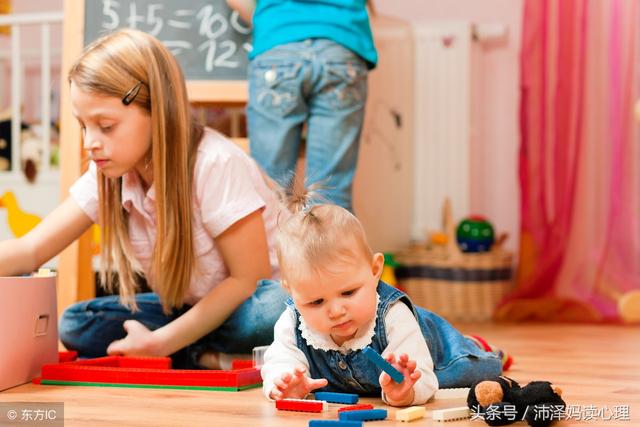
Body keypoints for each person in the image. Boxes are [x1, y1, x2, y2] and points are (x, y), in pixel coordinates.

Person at [0, 29, 287, 369]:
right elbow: (32, 248)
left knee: (272, 311)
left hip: (248, 303)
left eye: (105, 126)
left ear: (158, 112)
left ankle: (181, 350)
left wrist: (161, 341)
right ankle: (206, 356)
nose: (90, 142)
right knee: (77, 323)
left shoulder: (215, 164)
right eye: (83, 126)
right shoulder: (110, 172)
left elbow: (247, 281)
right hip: (186, 309)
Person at [261, 190, 510, 406]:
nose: (336, 311)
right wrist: (284, 384)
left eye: (348, 292)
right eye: (316, 302)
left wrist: (406, 390)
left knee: (477, 370)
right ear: (291, 291)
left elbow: (419, 373)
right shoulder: (291, 322)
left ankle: (476, 346)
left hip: (434, 352)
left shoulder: (393, 315)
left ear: (374, 270)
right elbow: (278, 362)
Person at [226, 0, 377, 211]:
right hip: (341, 43)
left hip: (278, 43)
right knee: (330, 194)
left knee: (271, 189)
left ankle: (274, 243)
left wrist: (272, 19)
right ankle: (329, 242)